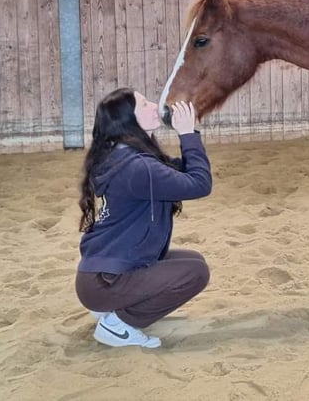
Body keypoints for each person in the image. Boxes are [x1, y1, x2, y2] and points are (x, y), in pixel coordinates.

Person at [75, 87, 212, 348]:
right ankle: (119, 325)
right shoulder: (137, 167)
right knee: (195, 272)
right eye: (145, 104)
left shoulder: (127, 156)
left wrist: (190, 136)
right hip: (104, 281)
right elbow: (200, 184)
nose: (154, 105)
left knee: (192, 260)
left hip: (102, 274)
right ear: (130, 120)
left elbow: (185, 173)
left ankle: (115, 308)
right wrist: (188, 135)